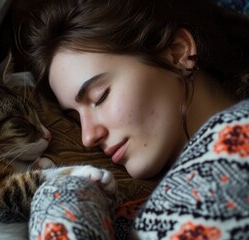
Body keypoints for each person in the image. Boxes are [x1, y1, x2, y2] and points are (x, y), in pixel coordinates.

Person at [20, 0, 249, 239]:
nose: (88, 137)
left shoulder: (237, 137)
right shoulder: (119, 207)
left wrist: (56, 197)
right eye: (76, 118)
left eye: (100, 97)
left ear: (178, 52)